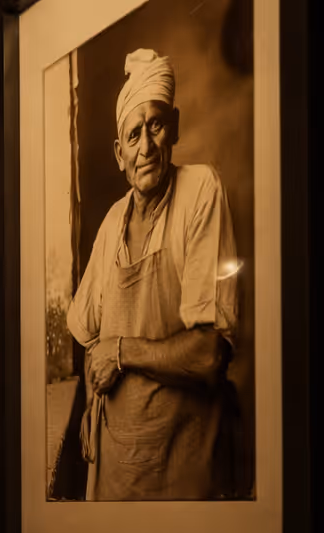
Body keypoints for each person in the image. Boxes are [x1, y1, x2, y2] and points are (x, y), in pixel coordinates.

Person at [68, 48, 243, 501]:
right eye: (133, 134)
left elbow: (209, 356)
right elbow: (89, 332)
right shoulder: (111, 223)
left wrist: (122, 352)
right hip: (118, 474)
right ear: (118, 153)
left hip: (185, 468)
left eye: (156, 125)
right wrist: (91, 397)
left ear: (176, 127)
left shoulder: (201, 191)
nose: (145, 146)